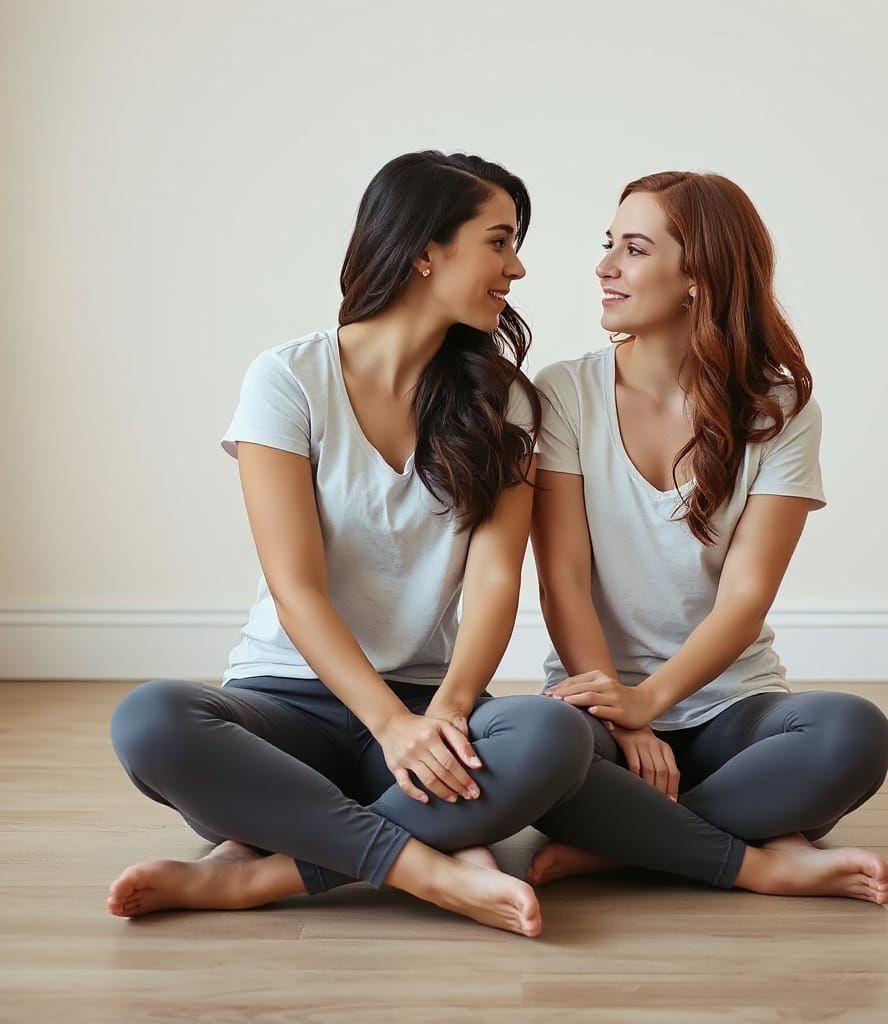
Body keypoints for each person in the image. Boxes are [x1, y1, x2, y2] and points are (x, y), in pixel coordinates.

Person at [107, 151, 595, 937]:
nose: (519, 266)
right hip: (286, 703)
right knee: (150, 720)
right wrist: (386, 726)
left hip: (426, 701)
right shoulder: (289, 379)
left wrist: (445, 710)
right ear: (425, 250)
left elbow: (498, 579)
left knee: (555, 734)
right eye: (499, 242)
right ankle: (428, 865)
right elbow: (295, 586)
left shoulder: (504, 402)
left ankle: (265, 868)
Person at [528, 171, 888, 905]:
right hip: (599, 708)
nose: (605, 267)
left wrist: (655, 699)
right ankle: (756, 852)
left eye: (633, 249)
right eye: (610, 245)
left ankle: (628, 847)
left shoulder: (780, 407)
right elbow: (562, 579)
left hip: (732, 707)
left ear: (699, 276)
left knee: (853, 733)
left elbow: (746, 597)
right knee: (537, 752)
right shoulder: (563, 392)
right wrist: (625, 715)